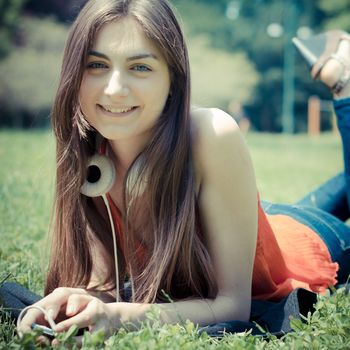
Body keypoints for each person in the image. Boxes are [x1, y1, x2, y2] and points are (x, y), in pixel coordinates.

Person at [1, 0, 350, 341]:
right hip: (250, 221)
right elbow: (104, 286)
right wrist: (80, 304)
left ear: (174, 79)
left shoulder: (213, 133)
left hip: (306, 242)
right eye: (96, 65)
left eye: (140, 67)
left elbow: (232, 307)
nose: (114, 89)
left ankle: (344, 85)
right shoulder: (90, 148)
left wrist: (120, 317)